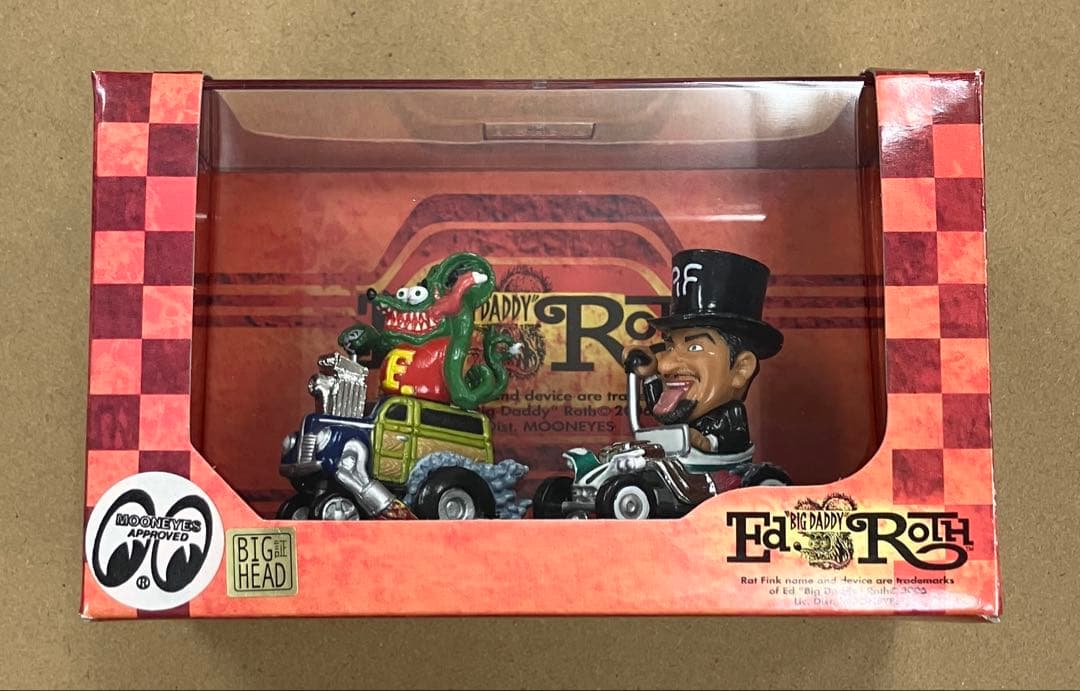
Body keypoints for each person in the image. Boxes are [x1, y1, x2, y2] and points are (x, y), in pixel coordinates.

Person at [624, 248, 784, 465]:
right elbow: (659, 407)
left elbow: (733, 438)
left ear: (741, 368)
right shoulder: (681, 407)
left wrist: (705, 442)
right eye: (670, 347)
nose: (665, 366)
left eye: (694, 348)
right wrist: (648, 372)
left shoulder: (730, 413)